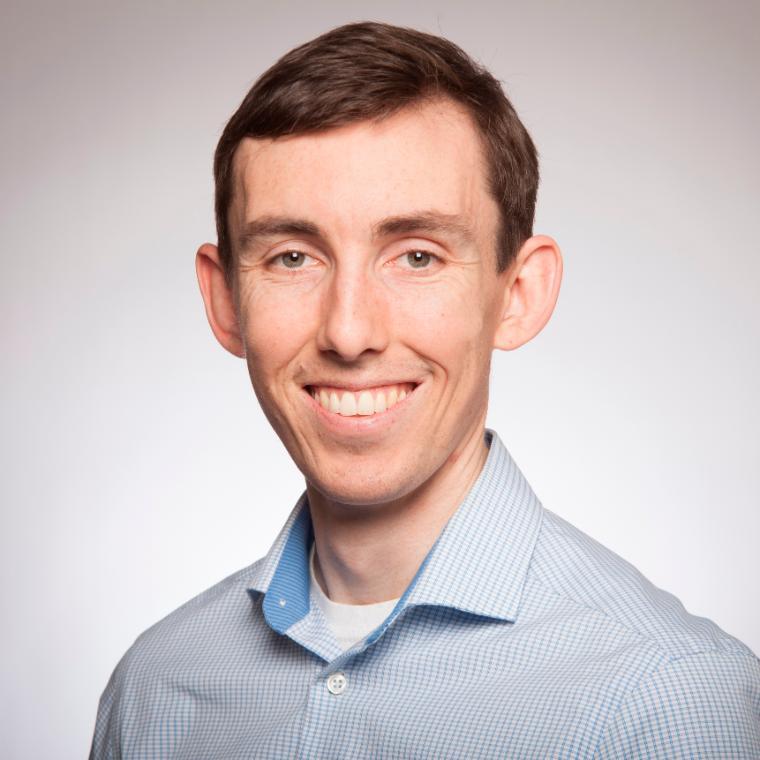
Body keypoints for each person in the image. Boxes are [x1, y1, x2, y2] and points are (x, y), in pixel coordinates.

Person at [89, 21, 760, 759]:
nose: (349, 332)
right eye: (291, 257)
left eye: (416, 255)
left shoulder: (668, 701)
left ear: (519, 293)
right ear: (225, 303)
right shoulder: (154, 691)